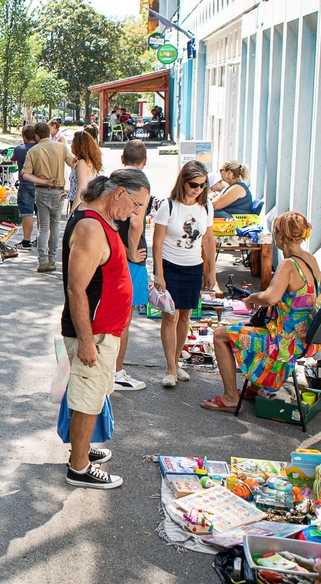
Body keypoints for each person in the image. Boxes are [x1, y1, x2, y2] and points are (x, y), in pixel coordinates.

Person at [60, 169, 152, 489]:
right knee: (87, 398)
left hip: (102, 329)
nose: (135, 213)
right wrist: (87, 340)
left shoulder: (100, 219)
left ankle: (81, 451)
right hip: (94, 332)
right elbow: (76, 289)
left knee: (92, 395)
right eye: (137, 205)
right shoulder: (90, 226)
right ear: (119, 194)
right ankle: (79, 468)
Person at [201, 212, 321, 410]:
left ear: (280, 236)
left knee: (220, 335)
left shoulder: (289, 264)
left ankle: (230, 398)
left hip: (284, 341)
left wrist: (252, 298)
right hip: (306, 338)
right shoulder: (309, 259)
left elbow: (271, 297)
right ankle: (256, 385)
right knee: (250, 327)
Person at [152, 161, 216, 388]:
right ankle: (169, 368)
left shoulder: (206, 207)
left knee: (186, 315)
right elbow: (157, 243)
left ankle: (176, 362)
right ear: (183, 182)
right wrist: (158, 273)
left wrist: (212, 271)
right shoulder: (168, 206)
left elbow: (208, 239)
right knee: (170, 315)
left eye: (202, 185)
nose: (198, 189)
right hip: (170, 265)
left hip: (194, 266)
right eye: (193, 184)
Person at [112, 141, 150, 391]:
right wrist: (132, 251)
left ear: (123, 157)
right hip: (129, 259)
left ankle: (112, 370)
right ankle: (116, 372)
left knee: (116, 318)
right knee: (123, 320)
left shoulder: (117, 183)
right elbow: (136, 224)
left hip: (117, 253)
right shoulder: (141, 188)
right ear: (145, 161)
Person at [22, 121, 76, 273]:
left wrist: (43, 181)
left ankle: (42, 260)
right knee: (55, 226)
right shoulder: (61, 147)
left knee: (43, 227)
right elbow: (74, 163)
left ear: (37, 135)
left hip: (41, 191)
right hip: (58, 191)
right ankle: (52, 258)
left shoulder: (33, 151)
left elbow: (26, 174)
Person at [10, 127, 39, 250]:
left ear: (24, 136)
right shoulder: (41, 148)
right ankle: (40, 239)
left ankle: (26, 240)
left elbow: (12, 159)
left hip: (26, 182)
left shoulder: (19, 149)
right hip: (41, 183)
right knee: (41, 213)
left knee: (27, 213)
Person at [66, 130, 103, 211]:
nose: (71, 145)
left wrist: (73, 212)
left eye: (73, 143)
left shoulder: (82, 163)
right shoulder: (89, 162)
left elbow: (81, 188)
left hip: (80, 204)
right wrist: (69, 192)